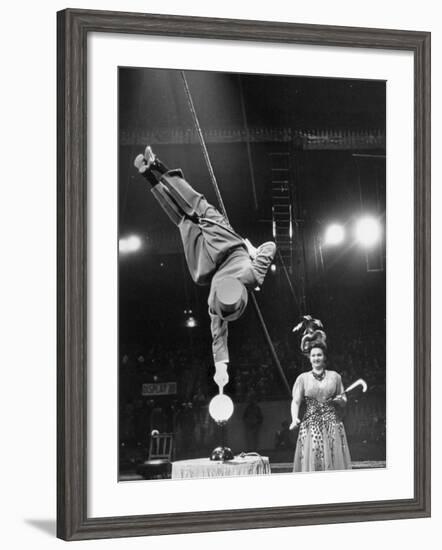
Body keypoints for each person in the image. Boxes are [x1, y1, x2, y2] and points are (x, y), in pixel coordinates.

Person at [134, 146, 276, 392]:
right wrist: (253, 252)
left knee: (184, 221)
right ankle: (156, 166)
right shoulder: (252, 276)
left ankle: (150, 174)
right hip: (228, 245)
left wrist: (222, 369)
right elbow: (270, 247)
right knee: (197, 206)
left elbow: (219, 336)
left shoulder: (216, 303)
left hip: (206, 264)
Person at [290, 317, 352, 472]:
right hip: (311, 426)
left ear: (324, 357)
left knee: (333, 464)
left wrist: (340, 401)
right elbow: (296, 402)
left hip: (332, 424)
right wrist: (294, 418)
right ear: (309, 358)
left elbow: (344, 399)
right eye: (313, 355)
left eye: (319, 355)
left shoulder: (335, 376)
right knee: (312, 464)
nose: (316, 358)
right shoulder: (302, 378)